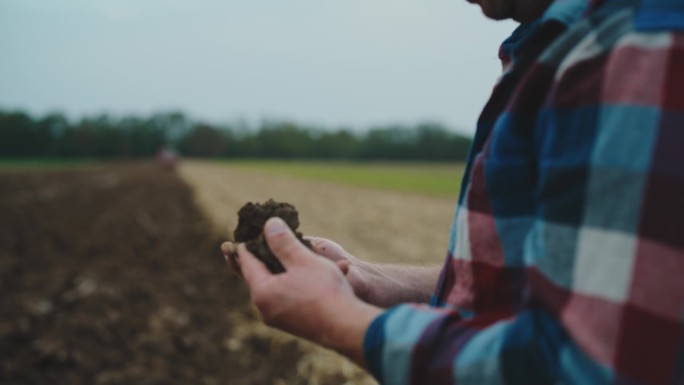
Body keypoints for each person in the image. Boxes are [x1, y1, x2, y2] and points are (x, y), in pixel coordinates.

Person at [221, 0, 684, 383]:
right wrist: (368, 281)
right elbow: (535, 285)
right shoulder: (567, 46)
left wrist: (339, 320)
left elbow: (586, 368)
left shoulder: (639, 48)